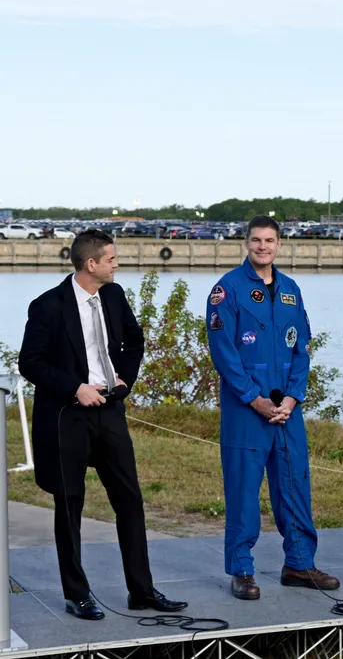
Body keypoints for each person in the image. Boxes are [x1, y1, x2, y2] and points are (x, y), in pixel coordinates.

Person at [18, 229, 188, 620]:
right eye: (111, 258)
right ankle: (77, 594)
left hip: (110, 412)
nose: (117, 263)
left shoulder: (114, 295)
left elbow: (134, 339)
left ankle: (141, 591)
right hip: (68, 415)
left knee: (129, 500)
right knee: (70, 504)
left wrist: (125, 380)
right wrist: (75, 388)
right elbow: (30, 362)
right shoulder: (46, 306)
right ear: (90, 263)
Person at [206, 214, 339, 600]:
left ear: (280, 245)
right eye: (256, 240)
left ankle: (299, 563)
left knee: (295, 486)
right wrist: (255, 399)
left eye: (270, 241)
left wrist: (294, 397)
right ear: (246, 243)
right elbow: (224, 353)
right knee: (244, 491)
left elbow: (303, 348)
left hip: (287, 410)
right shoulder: (226, 290)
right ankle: (242, 570)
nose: (263, 247)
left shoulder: (291, 290)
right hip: (246, 409)